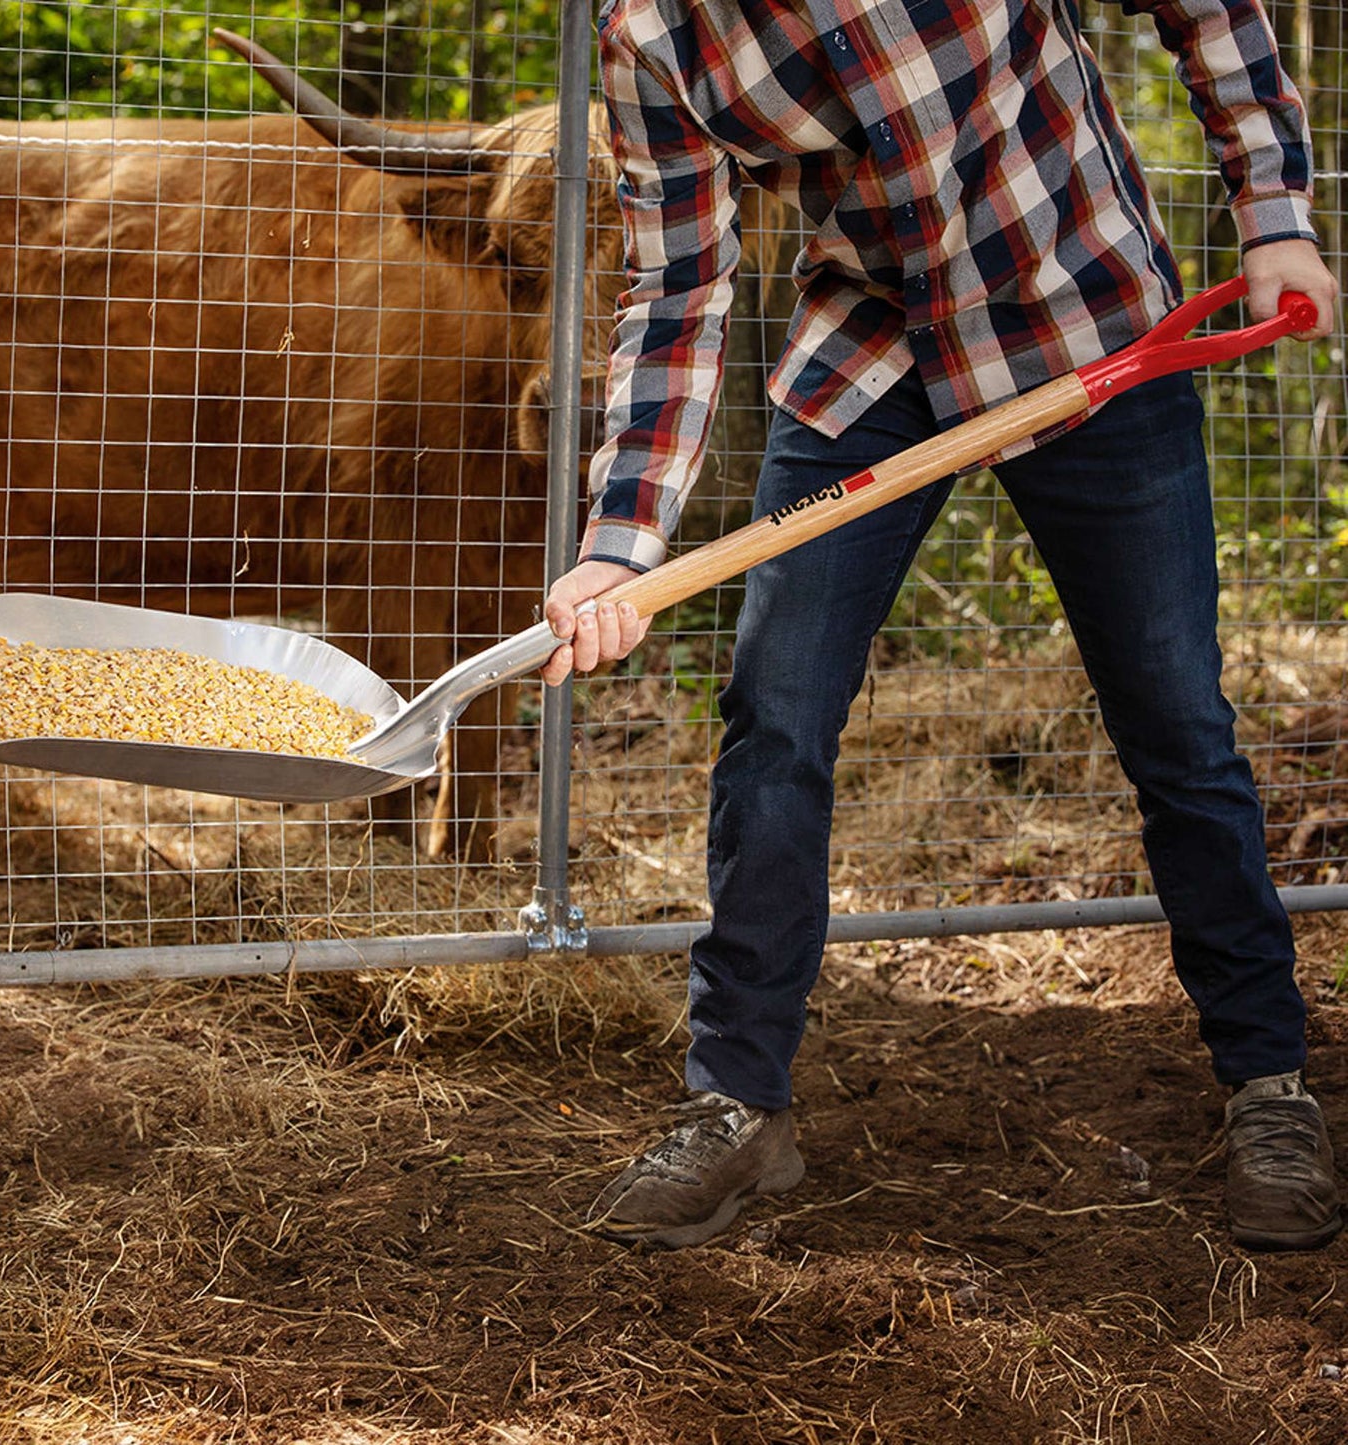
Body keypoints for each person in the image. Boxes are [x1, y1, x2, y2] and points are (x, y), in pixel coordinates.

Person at [543, 0, 1342, 1252]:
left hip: (1084, 322)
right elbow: (679, 283)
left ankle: (1266, 1084)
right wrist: (616, 546)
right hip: (870, 359)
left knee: (1175, 722)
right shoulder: (651, 35)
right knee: (774, 717)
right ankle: (737, 1102)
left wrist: (1272, 212)